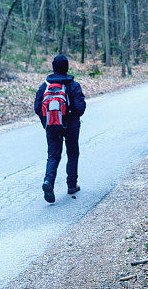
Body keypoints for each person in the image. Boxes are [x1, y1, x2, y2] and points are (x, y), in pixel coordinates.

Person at [33, 54, 86, 203]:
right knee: (73, 153)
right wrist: (72, 117)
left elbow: (37, 107)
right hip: (71, 126)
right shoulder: (73, 85)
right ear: (67, 67)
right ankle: (71, 185)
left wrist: (47, 122)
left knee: (53, 156)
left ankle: (48, 182)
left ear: (53, 67)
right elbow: (80, 108)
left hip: (51, 126)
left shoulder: (45, 86)